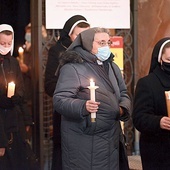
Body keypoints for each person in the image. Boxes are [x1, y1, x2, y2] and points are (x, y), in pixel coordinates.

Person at [53, 27, 131, 170]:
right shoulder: (73, 68)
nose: (106, 47)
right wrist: (83, 106)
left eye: (108, 42)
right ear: (88, 44)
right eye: (101, 43)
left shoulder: (112, 66)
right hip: (84, 140)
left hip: (110, 138)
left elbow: (123, 93)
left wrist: (121, 109)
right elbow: (60, 100)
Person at [44, 15, 90, 170]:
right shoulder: (57, 51)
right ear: (69, 34)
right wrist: (73, 89)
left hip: (88, 112)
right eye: (78, 35)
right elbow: (49, 85)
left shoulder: (92, 51)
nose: (81, 40)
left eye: (86, 35)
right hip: (65, 113)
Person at [0, 24, 39, 170]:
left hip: (14, 121)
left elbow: (21, 90)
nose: (6, 46)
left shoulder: (13, 62)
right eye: (2, 43)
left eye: (9, 43)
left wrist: (27, 118)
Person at [132, 37, 170, 169]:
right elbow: (139, 118)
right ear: (159, 59)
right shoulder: (147, 84)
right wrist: (158, 122)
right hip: (158, 151)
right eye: (169, 60)